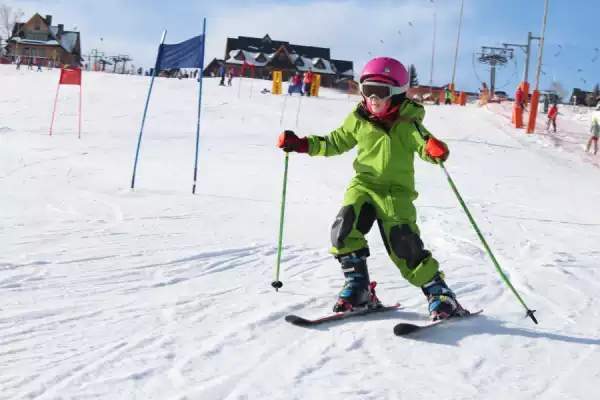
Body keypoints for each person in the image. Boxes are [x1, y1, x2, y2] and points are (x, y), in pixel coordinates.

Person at [277, 57, 470, 321]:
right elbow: (334, 142)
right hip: (364, 187)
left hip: (396, 193)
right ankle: (359, 288)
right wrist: (301, 144)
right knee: (344, 230)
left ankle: (440, 293)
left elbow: (425, 143)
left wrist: (435, 150)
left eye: (382, 92)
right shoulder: (358, 119)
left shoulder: (407, 122)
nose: (374, 98)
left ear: (398, 93)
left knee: (405, 244)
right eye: (368, 90)